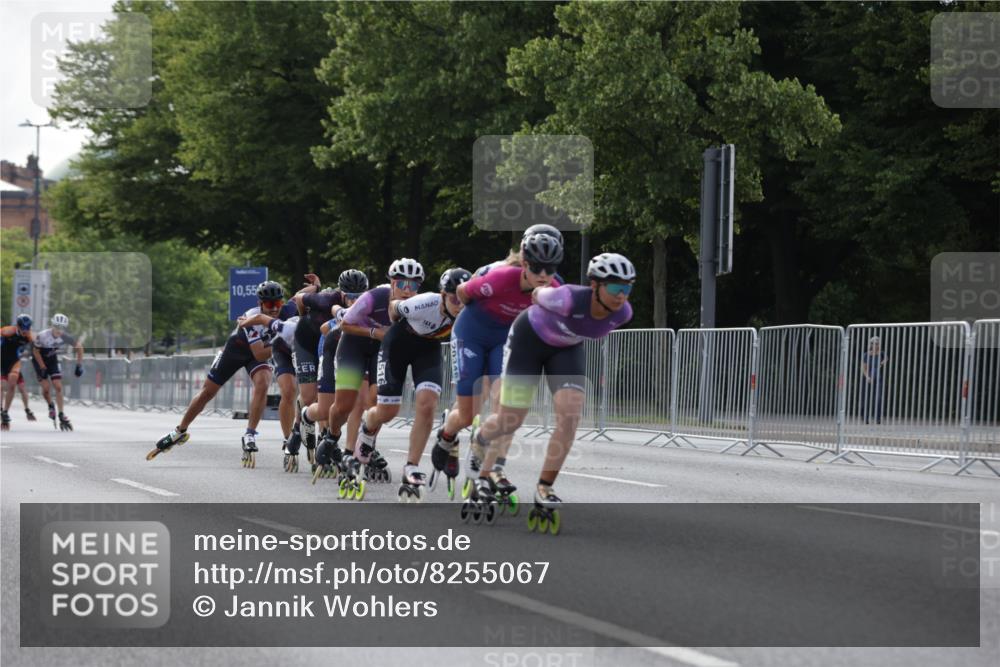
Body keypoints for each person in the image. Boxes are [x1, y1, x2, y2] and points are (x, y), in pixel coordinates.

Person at [467, 253, 635, 533]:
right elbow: (536, 294)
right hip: (528, 341)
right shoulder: (567, 298)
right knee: (511, 420)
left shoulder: (623, 313)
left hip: (566, 349)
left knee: (570, 416)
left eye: (628, 288)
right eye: (616, 288)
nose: (622, 296)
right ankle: (481, 437)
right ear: (595, 285)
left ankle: (544, 488)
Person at [431, 232, 563, 501]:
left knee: (506, 406)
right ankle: (446, 433)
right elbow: (461, 292)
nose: (543, 274)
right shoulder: (501, 277)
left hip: (505, 337)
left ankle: (495, 469)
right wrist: (479, 311)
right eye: (537, 267)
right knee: (467, 414)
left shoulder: (555, 288)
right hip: (472, 331)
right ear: (524, 264)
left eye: (550, 269)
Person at [302, 259, 423, 492]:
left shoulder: (418, 305)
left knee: (373, 400)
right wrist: (374, 332)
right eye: (401, 284)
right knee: (345, 405)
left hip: (380, 350)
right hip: (352, 344)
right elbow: (344, 323)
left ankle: (355, 451)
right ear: (391, 283)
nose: (407, 291)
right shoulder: (374, 297)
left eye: (414, 286)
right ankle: (331, 435)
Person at [353, 267, 470, 502]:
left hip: (428, 350)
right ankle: (367, 426)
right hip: (397, 343)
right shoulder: (422, 303)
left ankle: (411, 466)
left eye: (465, 299)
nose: (460, 304)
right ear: (442, 295)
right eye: (454, 298)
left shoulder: (468, 316)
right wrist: (394, 321)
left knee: (427, 405)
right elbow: (393, 309)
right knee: (387, 412)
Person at [147, 281, 290, 466]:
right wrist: (286, 342)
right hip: (236, 351)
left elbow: (303, 297)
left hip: (258, 354)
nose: (274, 309)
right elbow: (260, 353)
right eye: (270, 305)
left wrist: (316, 287)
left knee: (262, 383)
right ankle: (179, 431)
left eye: (278, 304)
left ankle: (250, 434)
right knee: (208, 392)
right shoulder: (251, 317)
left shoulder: (287, 310)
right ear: (260, 303)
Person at [32, 313, 84, 431]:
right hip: (39, 360)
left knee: (58, 387)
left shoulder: (65, 337)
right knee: (46, 389)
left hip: (52, 360)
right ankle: (51, 405)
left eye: (62, 328)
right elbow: (35, 352)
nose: (59, 330)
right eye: (56, 327)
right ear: (52, 325)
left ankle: (61, 413)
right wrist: (42, 367)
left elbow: (79, 347)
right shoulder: (43, 335)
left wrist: (79, 365)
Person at [1, 314, 43, 431]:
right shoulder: (8, 331)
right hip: (1, 360)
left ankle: (5, 412)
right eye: (23, 329)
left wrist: (42, 365)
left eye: (28, 329)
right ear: (18, 326)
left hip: (14, 361)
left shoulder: (30, 336)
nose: (25, 331)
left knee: (13, 384)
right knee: (2, 386)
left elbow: (37, 349)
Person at [860, 335, 888, 425]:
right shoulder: (866, 354)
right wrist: (867, 376)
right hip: (868, 379)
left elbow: (886, 358)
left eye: (876, 343)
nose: (874, 345)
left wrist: (882, 363)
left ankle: (878, 418)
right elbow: (863, 368)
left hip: (878, 379)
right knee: (866, 398)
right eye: (872, 343)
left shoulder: (881, 354)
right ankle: (865, 417)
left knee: (878, 398)